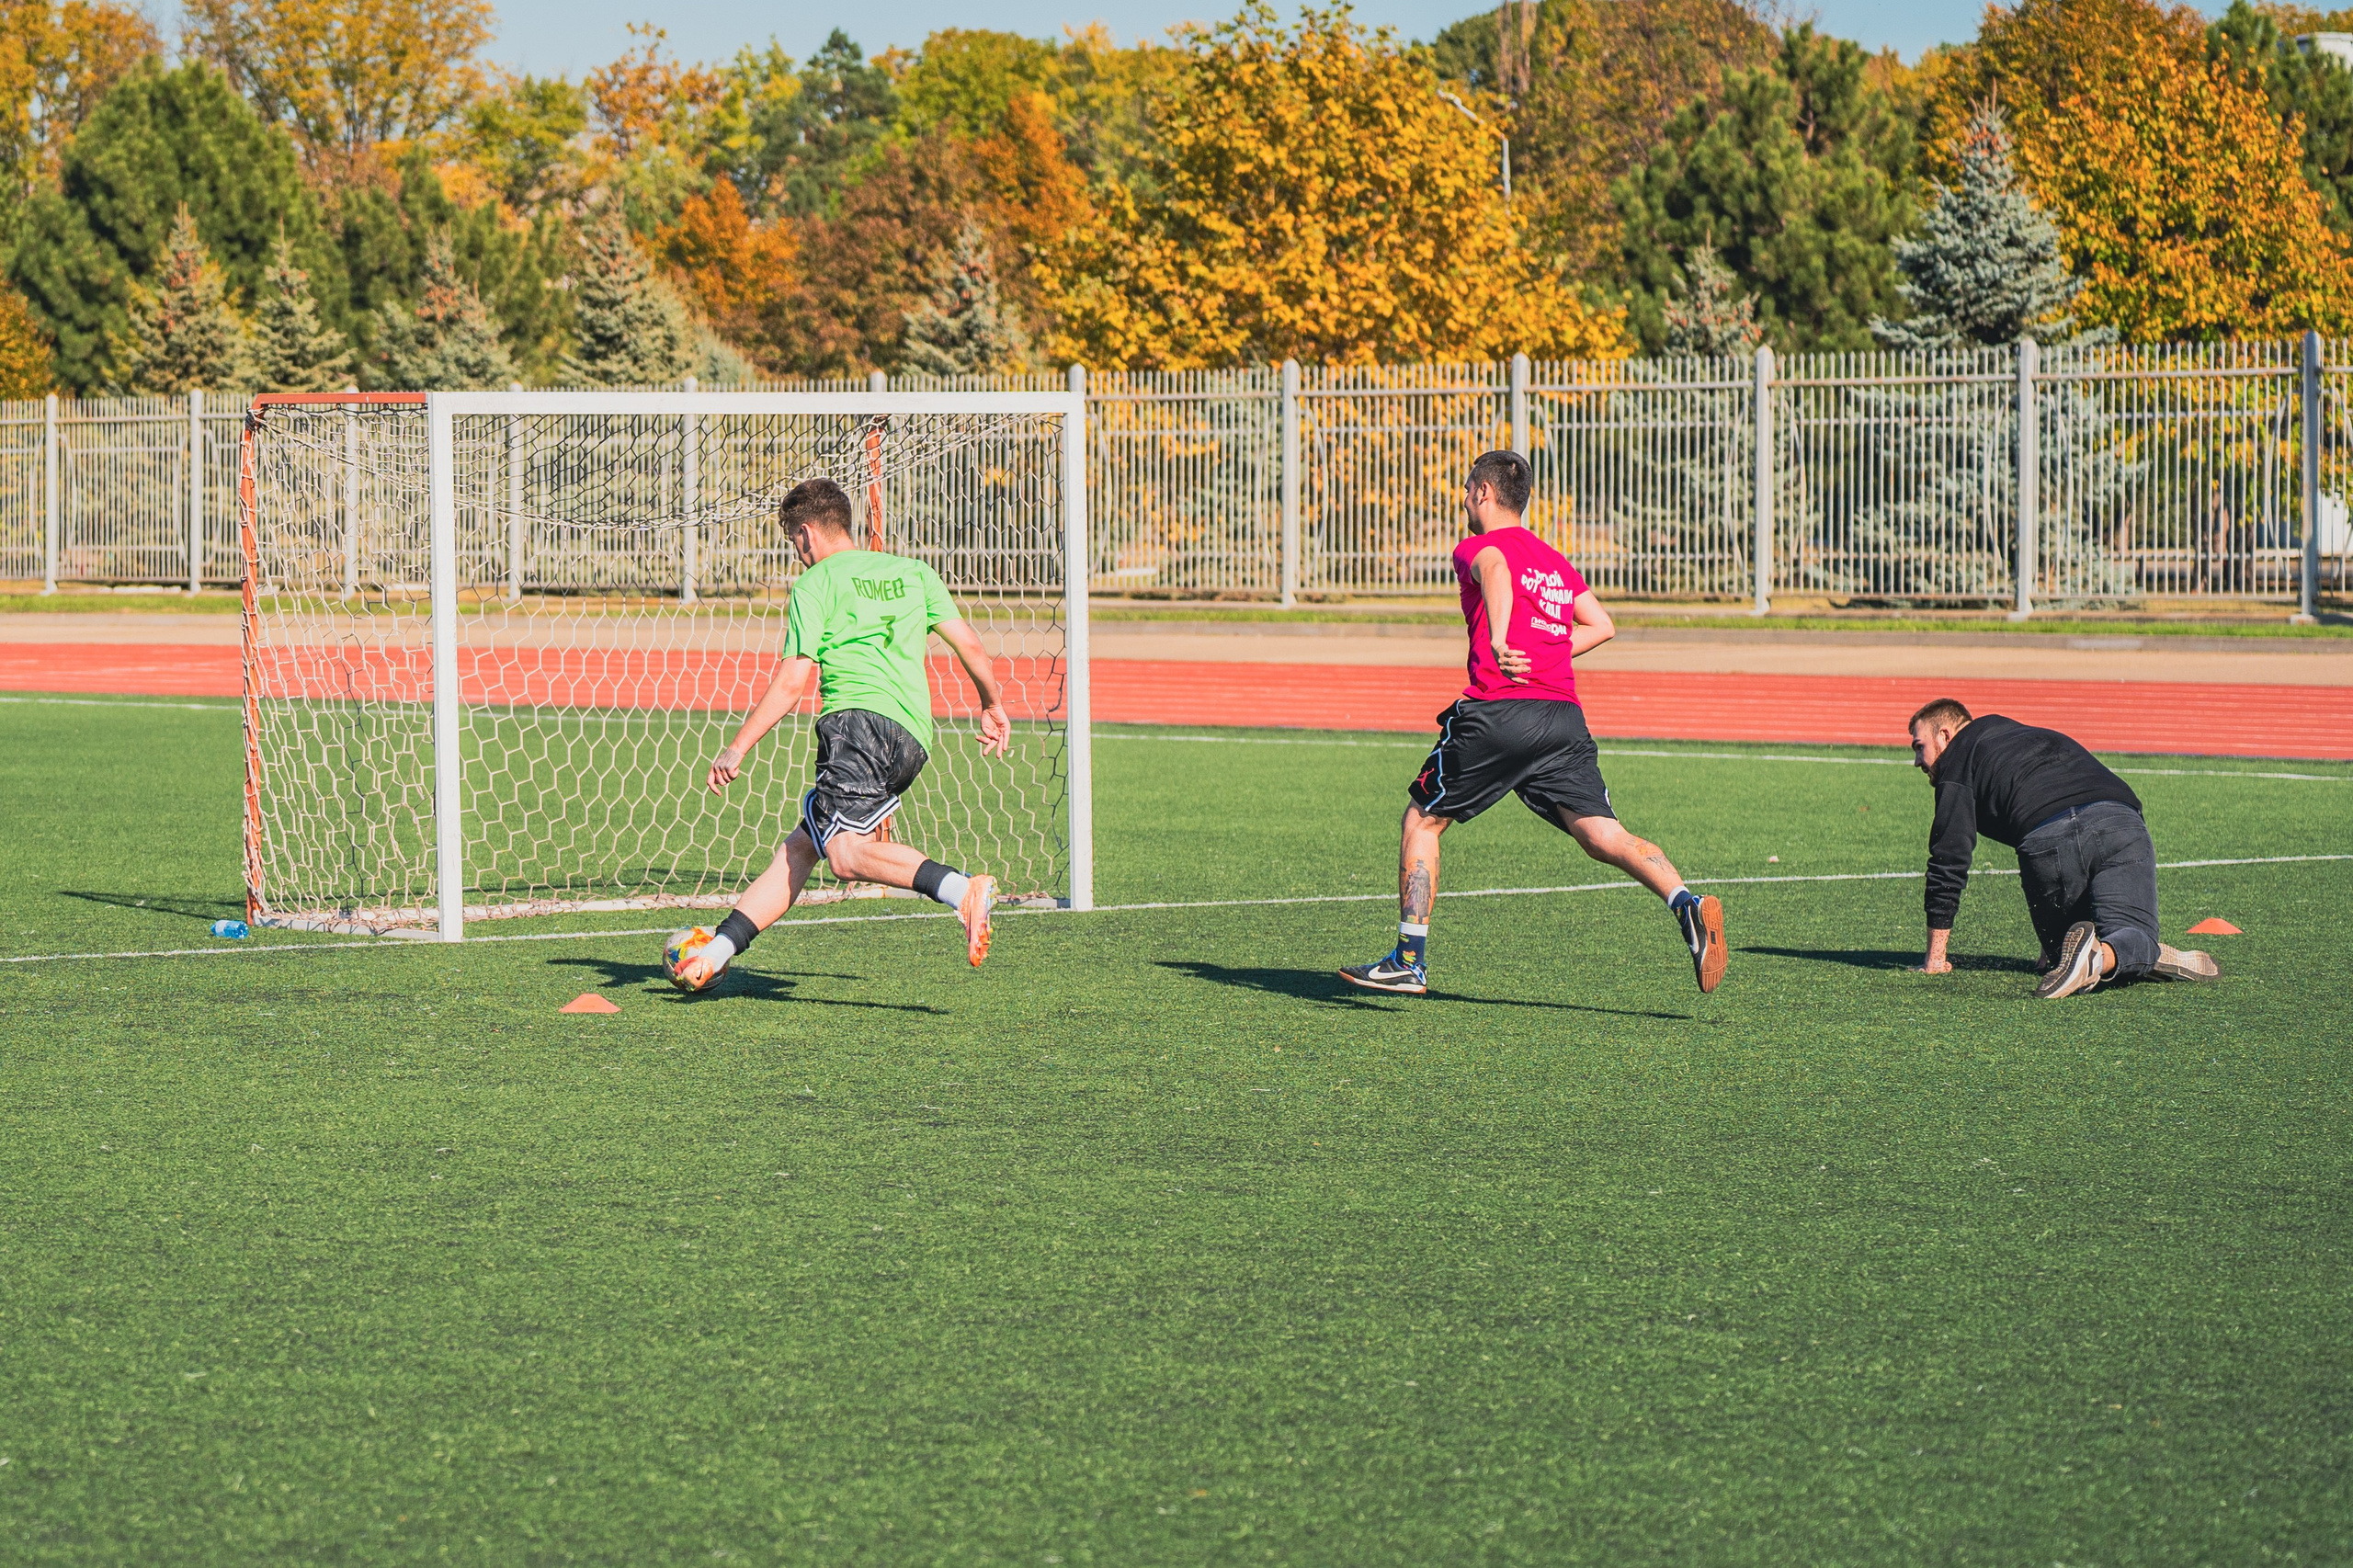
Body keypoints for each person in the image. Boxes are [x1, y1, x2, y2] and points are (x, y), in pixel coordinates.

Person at [1338, 449, 1726, 997]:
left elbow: (1495, 569)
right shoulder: (1552, 559)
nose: (1463, 497)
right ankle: (1685, 904)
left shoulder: (1477, 546)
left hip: (1499, 709)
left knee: (1422, 821)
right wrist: (1548, 651)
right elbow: (1603, 624)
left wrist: (1501, 638)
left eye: (1467, 487)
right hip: (1563, 719)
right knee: (1601, 834)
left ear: (1484, 494)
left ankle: (1407, 959)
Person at [674, 477, 1008, 988]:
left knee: (846, 854)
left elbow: (791, 683)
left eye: (794, 543)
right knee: (804, 845)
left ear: (806, 533)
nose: (798, 555)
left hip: (856, 726)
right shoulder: (914, 572)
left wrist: (736, 747)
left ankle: (960, 890)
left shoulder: (816, 583)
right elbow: (972, 646)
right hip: (913, 740)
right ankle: (714, 954)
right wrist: (992, 704)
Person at [1907, 698, 2220, 997]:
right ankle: (2138, 950)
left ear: (1945, 735)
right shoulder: (2024, 734)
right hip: (2121, 821)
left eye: (1920, 747)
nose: (1918, 762)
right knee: (2131, 936)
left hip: (2050, 836)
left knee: (2068, 960)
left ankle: (2099, 957)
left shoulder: (1957, 758)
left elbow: (1948, 859)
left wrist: (1936, 960)